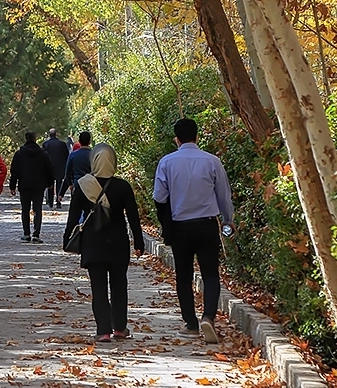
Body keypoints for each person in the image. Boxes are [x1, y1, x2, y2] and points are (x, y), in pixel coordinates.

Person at [153, 118, 234, 344]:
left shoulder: (167, 163)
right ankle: (209, 316)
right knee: (210, 273)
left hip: (180, 226)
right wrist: (228, 221)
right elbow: (223, 196)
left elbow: (159, 196)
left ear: (176, 139)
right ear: (197, 137)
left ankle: (191, 324)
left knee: (184, 276)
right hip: (207, 224)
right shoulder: (212, 161)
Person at [63, 144, 144, 342]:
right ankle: (120, 327)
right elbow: (133, 217)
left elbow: (73, 217)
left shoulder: (83, 185)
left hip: (93, 243)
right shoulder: (122, 187)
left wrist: (67, 239)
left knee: (98, 287)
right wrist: (138, 242)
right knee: (119, 285)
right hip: (118, 243)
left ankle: (103, 331)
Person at [9, 131, 54, 243]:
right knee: (37, 210)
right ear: (35, 139)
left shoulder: (19, 154)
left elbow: (14, 171)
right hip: (39, 186)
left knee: (25, 210)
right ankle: (36, 234)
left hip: (24, 185)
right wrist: (49, 183)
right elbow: (49, 169)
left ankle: (26, 233)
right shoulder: (43, 154)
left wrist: (12, 185)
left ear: (26, 139)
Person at [58, 131, 92, 203]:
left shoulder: (73, 155)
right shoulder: (93, 155)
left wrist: (70, 184)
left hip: (77, 184)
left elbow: (68, 172)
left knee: (76, 209)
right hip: (91, 185)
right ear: (89, 142)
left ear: (79, 141)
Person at [42, 128, 70, 209]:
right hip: (60, 167)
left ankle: (50, 202)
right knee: (59, 184)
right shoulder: (62, 144)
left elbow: (43, 156)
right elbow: (66, 156)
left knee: (50, 184)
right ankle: (58, 201)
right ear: (56, 134)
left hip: (49, 167)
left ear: (49, 135)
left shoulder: (46, 144)